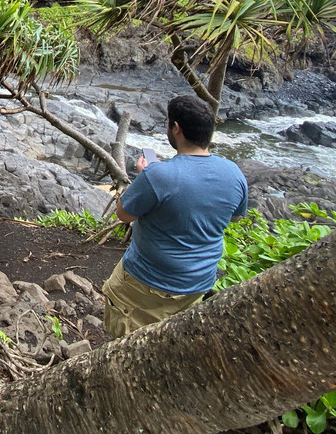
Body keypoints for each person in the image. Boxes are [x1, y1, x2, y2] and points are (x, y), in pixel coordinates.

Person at [102, 94, 248, 338]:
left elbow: (124, 214)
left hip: (147, 284)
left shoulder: (158, 176)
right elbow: (234, 217)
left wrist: (144, 176)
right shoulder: (234, 173)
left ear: (176, 128)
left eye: (168, 121)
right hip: (199, 284)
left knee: (126, 337)